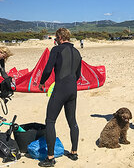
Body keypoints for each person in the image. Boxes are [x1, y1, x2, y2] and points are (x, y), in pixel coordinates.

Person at [38, 28, 82, 167]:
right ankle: (74, 153)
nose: (55, 41)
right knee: (72, 121)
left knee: (50, 121)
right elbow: (78, 74)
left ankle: (50, 158)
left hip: (60, 89)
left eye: (56, 38)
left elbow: (47, 69)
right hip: (72, 90)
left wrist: (41, 82)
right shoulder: (77, 52)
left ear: (60, 37)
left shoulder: (56, 50)